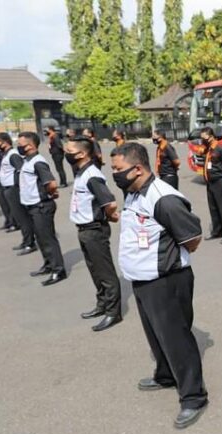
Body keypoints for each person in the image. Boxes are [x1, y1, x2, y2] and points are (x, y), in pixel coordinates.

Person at [111, 142, 208, 429]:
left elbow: (192, 238)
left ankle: (193, 396)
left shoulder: (163, 198)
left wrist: (167, 261)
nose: (114, 175)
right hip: (142, 280)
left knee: (177, 338)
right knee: (156, 335)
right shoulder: (132, 192)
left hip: (167, 280)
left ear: (137, 168)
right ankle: (165, 375)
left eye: (118, 170)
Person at [65, 136, 122, 332]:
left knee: (105, 272)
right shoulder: (81, 172)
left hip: (94, 230)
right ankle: (102, 304)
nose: (67, 154)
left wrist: (111, 216)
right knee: (94, 271)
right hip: (84, 230)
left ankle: (113, 312)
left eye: (70, 151)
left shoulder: (92, 175)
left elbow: (110, 202)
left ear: (82, 154)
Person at [18, 132, 67, 286]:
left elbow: (51, 183)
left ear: (31, 145)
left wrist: (51, 194)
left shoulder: (38, 162)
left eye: (21, 145)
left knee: (47, 239)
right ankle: (48, 264)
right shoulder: (28, 161)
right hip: (32, 206)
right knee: (40, 238)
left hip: (41, 206)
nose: (18, 147)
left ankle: (58, 270)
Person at [0, 132, 36, 256]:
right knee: (18, 217)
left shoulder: (13, 155)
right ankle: (26, 240)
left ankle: (30, 243)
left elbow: (20, 170)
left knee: (22, 217)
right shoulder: (6, 154)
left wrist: (17, 185)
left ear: (4, 142)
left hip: (14, 189)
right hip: (8, 189)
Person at [201, 127, 222, 243]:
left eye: (204, 138)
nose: (202, 140)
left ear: (211, 137)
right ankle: (217, 231)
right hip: (210, 182)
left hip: (221, 182)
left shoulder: (220, 148)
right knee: (214, 208)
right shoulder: (209, 148)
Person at [0, 134, 16, 229]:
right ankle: (9, 222)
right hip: (3, 182)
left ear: (4, 142)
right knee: (4, 204)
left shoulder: (12, 154)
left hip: (11, 185)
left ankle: (14, 223)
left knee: (13, 207)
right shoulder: (2, 153)